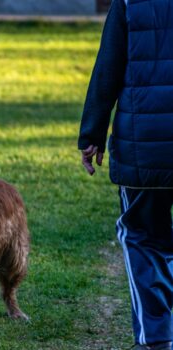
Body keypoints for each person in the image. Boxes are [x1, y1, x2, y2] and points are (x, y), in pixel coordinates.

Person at [79, 0, 173, 348]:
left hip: (143, 145)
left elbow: (109, 67)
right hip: (143, 144)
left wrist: (92, 134)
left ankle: (156, 338)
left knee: (143, 238)